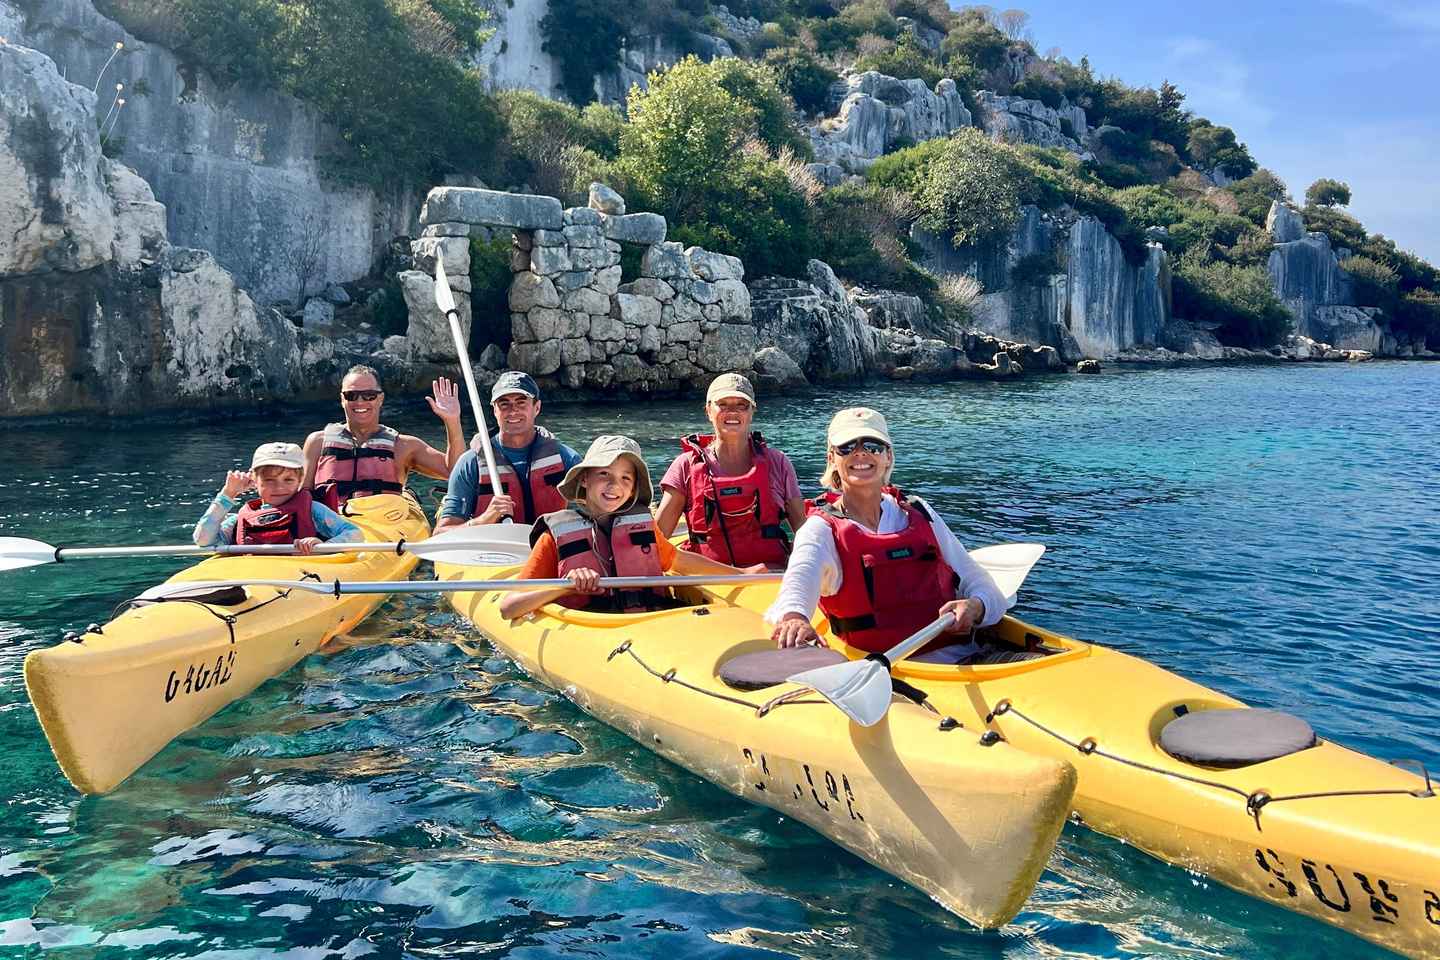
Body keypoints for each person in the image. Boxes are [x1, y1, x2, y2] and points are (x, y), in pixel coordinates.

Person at [766, 408, 1009, 663]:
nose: (860, 453)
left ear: (888, 456)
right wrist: (794, 619)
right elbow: (795, 592)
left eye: (873, 445)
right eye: (847, 447)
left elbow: (981, 585)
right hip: (891, 677)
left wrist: (976, 607)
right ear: (831, 458)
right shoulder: (820, 530)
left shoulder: (918, 511)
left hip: (970, 659)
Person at [499, 436, 763, 620]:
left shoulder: (643, 528)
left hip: (651, 624)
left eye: (625, 478)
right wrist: (566, 586)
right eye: (604, 474)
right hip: (593, 630)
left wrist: (740, 573)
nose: (615, 486)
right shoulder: (554, 536)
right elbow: (509, 608)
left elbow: (680, 561)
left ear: (634, 489)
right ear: (584, 479)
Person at [655, 373, 807, 568]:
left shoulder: (778, 463)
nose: (732, 412)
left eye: (741, 405)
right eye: (723, 404)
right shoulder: (684, 466)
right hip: (711, 581)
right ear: (708, 411)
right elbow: (657, 541)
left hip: (771, 577)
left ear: (752, 411)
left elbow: (804, 532)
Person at [302, 365, 464, 509]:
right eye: (351, 395)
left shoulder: (404, 446)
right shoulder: (317, 442)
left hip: (382, 530)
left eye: (369, 395)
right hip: (330, 530)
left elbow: (454, 471)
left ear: (381, 398)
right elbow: (302, 494)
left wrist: (452, 421)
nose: (360, 402)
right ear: (342, 399)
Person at [436, 371, 583, 529]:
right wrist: (483, 520)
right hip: (495, 550)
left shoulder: (566, 458)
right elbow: (441, 533)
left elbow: (598, 508)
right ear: (494, 411)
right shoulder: (470, 463)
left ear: (537, 407)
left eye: (521, 403)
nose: (513, 411)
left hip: (549, 547)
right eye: (504, 404)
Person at [194, 442, 363, 554]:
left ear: (300, 480)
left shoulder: (314, 510)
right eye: (269, 480)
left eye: (288, 480)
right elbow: (203, 540)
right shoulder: (239, 519)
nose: (279, 487)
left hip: (301, 577)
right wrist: (227, 494)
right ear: (254, 480)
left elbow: (354, 534)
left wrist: (320, 546)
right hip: (256, 580)